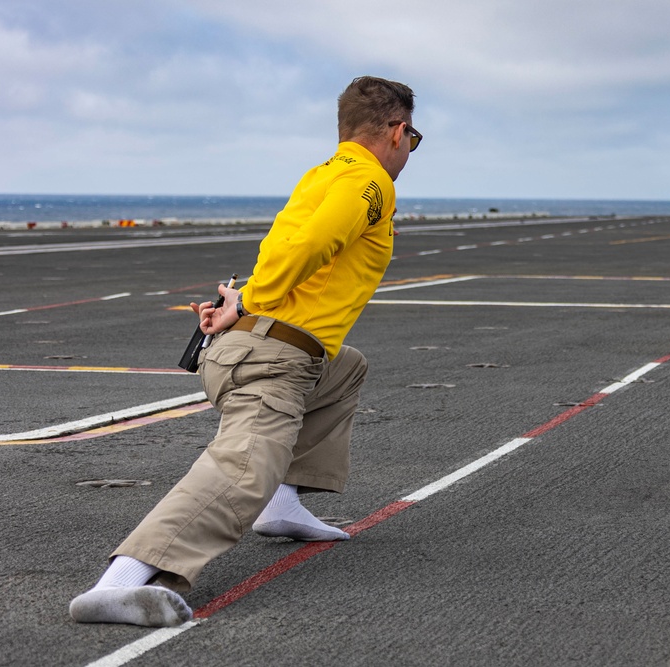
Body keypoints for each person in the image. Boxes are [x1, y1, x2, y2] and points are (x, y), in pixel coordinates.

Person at [70, 76, 421, 627]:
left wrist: (238, 304)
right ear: (398, 132)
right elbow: (307, 247)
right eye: (413, 140)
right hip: (270, 358)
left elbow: (284, 249)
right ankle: (119, 584)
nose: (410, 152)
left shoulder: (322, 175)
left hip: (262, 346)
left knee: (346, 367)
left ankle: (282, 506)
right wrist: (249, 302)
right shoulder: (371, 183)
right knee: (243, 469)